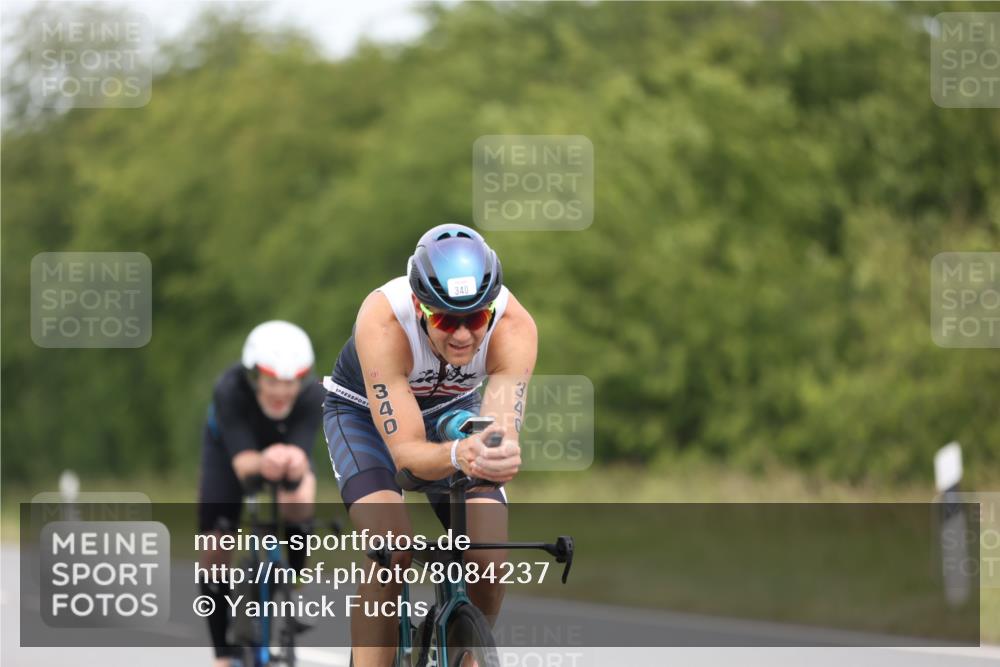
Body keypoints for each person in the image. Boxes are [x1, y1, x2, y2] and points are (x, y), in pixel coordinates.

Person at [323, 223, 536, 666]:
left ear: (492, 308)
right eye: (445, 320)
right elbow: (407, 456)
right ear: (420, 307)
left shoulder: (515, 327)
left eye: (476, 319)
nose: (462, 336)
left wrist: (496, 452)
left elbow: (498, 431)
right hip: (363, 414)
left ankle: (466, 651)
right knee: (391, 547)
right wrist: (459, 454)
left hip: (451, 410)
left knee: (489, 557)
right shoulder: (382, 320)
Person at [197, 320, 325, 667]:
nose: (282, 392)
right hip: (230, 454)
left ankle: (293, 576)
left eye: (290, 382)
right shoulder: (229, 388)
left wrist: (294, 466)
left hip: (282, 452)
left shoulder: (313, 393)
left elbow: (300, 452)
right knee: (214, 546)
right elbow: (243, 465)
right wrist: (265, 460)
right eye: (272, 382)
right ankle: (222, 654)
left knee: (298, 498)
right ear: (254, 377)